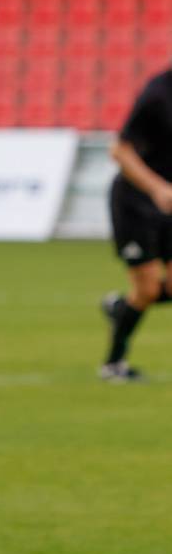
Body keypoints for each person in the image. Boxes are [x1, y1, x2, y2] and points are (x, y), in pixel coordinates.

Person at [100, 68, 172, 382]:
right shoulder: (158, 94)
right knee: (146, 288)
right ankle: (113, 364)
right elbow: (120, 151)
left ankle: (120, 309)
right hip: (135, 201)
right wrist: (157, 188)